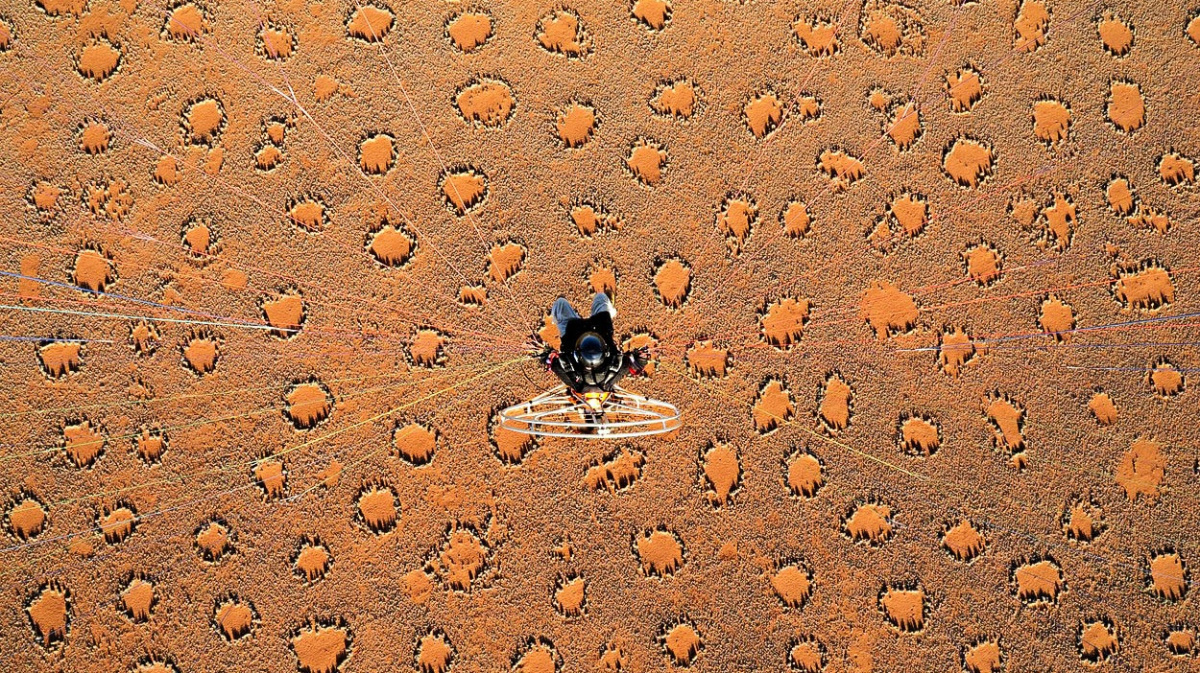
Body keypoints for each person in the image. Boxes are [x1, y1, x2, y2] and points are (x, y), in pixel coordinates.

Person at [535, 292, 650, 393]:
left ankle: (606, 307)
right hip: (597, 326)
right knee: (598, 299)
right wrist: (641, 358)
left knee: (562, 303)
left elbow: (553, 364)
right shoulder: (583, 381)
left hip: (575, 329)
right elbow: (554, 364)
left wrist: (546, 356)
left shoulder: (609, 374)